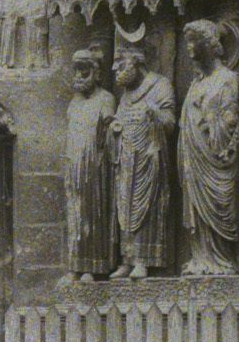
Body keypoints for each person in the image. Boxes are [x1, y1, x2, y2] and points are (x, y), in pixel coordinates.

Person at [179, 20, 239, 274]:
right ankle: (201, 259)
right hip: (194, 157)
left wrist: (210, 122)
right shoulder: (196, 83)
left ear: (209, 44)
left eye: (193, 41)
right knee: (195, 208)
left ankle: (222, 261)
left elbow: (231, 121)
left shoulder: (228, 79)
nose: (189, 48)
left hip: (216, 158)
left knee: (220, 205)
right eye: (187, 42)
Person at [108, 44, 176, 280]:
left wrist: (153, 111)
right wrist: (114, 127)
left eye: (121, 65)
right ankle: (127, 259)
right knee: (124, 206)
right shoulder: (126, 95)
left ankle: (144, 261)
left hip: (149, 157)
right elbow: (120, 120)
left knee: (146, 206)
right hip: (127, 158)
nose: (116, 70)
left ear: (136, 62)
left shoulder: (160, 85)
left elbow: (170, 123)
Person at [65, 47, 116, 281]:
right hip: (74, 164)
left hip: (95, 165)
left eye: (84, 72)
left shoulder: (105, 99)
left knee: (92, 213)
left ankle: (92, 267)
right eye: (76, 71)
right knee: (75, 214)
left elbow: (110, 130)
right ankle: (75, 265)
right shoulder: (74, 103)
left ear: (96, 73)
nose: (78, 77)